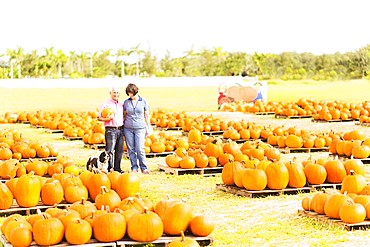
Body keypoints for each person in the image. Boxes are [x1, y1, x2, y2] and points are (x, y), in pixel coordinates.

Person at [123, 83, 152, 174]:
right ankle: (134, 167)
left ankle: (144, 167)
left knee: (140, 148)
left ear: (135, 91)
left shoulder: (143, 101)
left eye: (131, 93)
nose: (130, 95)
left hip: (140, 128)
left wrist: (149, 128)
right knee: (131, 149)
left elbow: (146, 115)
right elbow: (124, 115)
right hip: (128, 128)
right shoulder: (126, 102)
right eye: (128, 94)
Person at [98, 86, 125, 173]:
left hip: (120, 129)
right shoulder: (106, 104)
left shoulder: (121, 104)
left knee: (119, 150)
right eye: (114, 92)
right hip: (111, 129)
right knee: (110, 151)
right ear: (110, 93)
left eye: (117, 93)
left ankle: (117, 168)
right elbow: (99, 118)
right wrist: (106, 119)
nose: (116, 94)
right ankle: (109, 168)